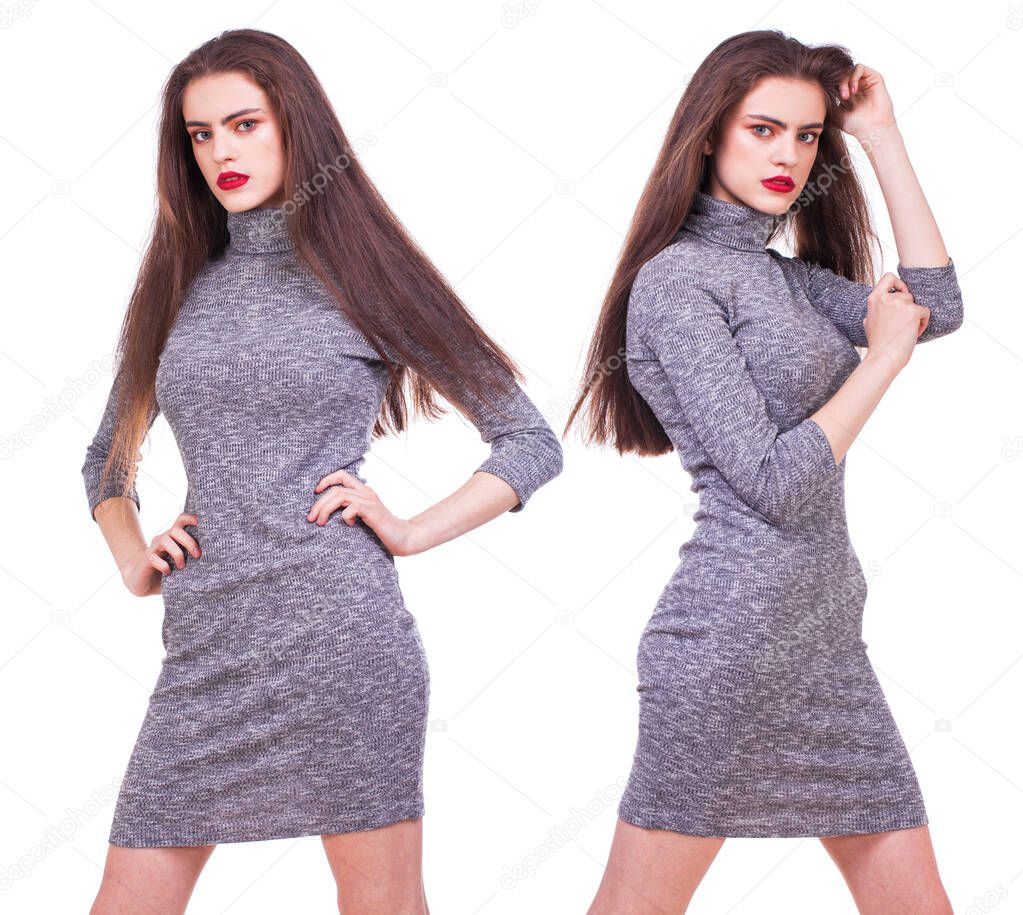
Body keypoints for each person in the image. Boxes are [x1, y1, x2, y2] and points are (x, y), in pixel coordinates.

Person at [81, 28, 562, 915]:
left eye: (243, 123)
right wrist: (131, 557)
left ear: (294, 125)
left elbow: (530, 441)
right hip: (205, 652)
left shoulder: (367, 279)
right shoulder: (177, 286)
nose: (221, 150)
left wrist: (411, 529)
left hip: (341, 644)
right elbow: (105, 461)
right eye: (199, 134)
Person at [565, 29, 962, 914]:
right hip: (726, 648)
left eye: (808, 135)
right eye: (762, 129)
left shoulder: (780, 277)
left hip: (825, 645)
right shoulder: (676, 283)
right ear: (709, 133)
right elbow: (776, 482)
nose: (787, 154)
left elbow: (934, 307)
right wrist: (879, 364)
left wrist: (883, 136)